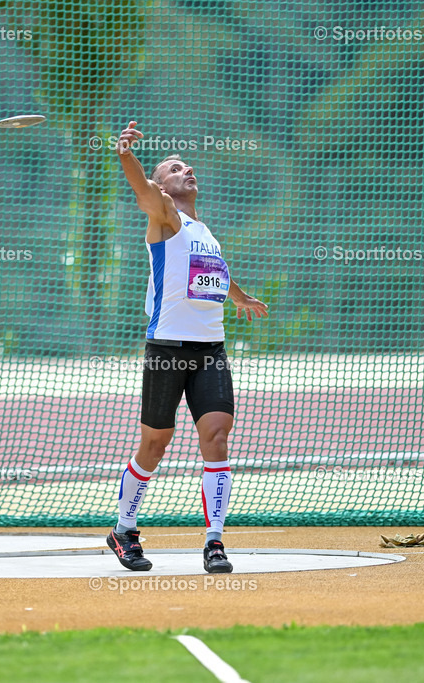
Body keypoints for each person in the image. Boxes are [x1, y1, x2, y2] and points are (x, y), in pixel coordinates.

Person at [106, 121, 269, 573]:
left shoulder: (203, 230)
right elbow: (142, 191)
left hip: (210, 350)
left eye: (188, 165)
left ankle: (214, 543)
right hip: (167, 348)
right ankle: (124, 529)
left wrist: (240, 296)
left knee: (216, 438)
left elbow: (213, 270)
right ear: (164, 185)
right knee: (155, 445)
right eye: (176, 168)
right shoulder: (165, 218)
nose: (187, 169)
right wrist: (125, 155)